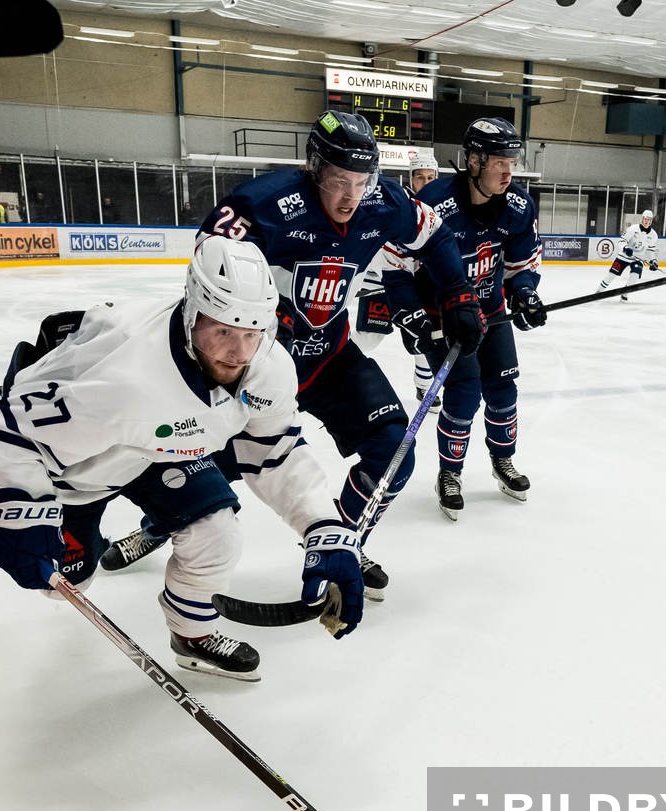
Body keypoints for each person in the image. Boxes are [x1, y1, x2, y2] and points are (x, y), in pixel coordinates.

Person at [127, 111, 480, 602]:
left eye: (361, 181)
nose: (351, 196)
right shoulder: (264, 203)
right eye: (339, 181)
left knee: (393, 452)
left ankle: (342, 542)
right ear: (314, 168)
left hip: (330, 358)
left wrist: (458, 294)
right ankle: (157, 525)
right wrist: (267, 319)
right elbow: (210, 270)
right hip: (256, 367)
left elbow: (435, 236)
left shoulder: (384, 202)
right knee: (209, 469)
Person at [0, 239, 365, 679]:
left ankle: (192, 635)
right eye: (223, 331)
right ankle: (92, 538)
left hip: (162, 450)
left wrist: (323, 526)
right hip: (80, 469)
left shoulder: (268, 365)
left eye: (251, 333)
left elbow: (275, 450)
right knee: (64, 582)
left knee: (217, 534)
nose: (238, 354)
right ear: (191, 313)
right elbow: (11, 429)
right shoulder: (124, 377)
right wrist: (19, 512)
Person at [380, 118, 545, 520]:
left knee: (504, 388)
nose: (508, 171)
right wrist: (410, 314)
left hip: (490, 311)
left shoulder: (518, 205)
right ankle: (450, 474)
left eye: (512, 161)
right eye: (499, 162)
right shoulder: (434, 203)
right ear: (474, 160)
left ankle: (503, 460)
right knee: (464, 393)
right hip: (445, 318)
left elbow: (521, 265)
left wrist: (525, 293)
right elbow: (396, 262)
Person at [596, 207, 659, 299]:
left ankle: (625, 293)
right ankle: (598, 291)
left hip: (638, 259)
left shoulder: (654, 235)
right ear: (642, 219)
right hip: (623, 256)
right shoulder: (633, 228)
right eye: (645, 219)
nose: (646, 221)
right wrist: (625, 248)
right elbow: (622, 240)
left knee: (635, 276)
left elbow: (651, 250)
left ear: (651, 221)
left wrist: (653, 261)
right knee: (612, 274)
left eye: (649, 219)